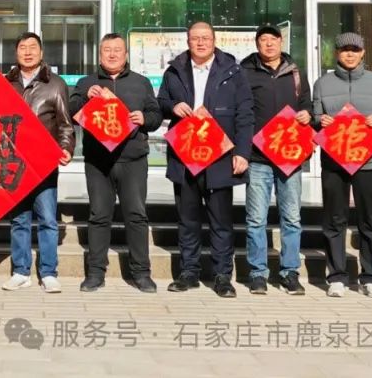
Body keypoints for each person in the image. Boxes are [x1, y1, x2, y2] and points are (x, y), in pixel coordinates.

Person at [158, 21, 253, 298]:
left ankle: (223, 275)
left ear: (214, 40)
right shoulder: (174, 70)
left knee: (221, 219)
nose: (200, 43)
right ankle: (188, 272)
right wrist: (172, 106)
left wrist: (242, 152)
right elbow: (161, 101)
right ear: (188, 41)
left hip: (220, 154)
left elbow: (245, 114)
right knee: (187, 218)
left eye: (206, 38)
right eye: (195, 38)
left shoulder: (233, 71)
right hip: (186, 153)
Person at [70, 33, 162, 293]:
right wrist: (86, 96)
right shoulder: (87, 82)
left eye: (117, 50)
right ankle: (95, 273)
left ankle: (141, 273)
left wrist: (144, 117)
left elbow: (156, 115)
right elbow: (71, 109)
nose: (112, 54)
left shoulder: (141, 83)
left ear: (126, 55)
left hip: (133, 159)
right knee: (99, 215)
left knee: (136, 215)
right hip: (98, 161)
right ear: (100, 54)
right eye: (107, 50)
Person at [311, 32, 372, 298]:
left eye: (355, 49)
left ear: (363, 53)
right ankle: (336, 276)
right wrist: (320, 121)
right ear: (336, 53)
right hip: (334, 161)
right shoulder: (322, 83)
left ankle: (370, 277)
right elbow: (313, 119)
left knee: (370, 221)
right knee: (334, 220)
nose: (349, 54)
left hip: (370, 162)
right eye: (344, 49)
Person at [241, 24, 311, 295]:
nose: (269, 44)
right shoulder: (245, 72)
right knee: (255, 218)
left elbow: (306, 103)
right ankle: (258, 273)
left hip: (289, 156)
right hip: (258, 157)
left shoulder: (295, 72)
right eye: (263, 40)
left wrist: (307, 115)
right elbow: (241, 110)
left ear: (281, 42)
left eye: (273, 39)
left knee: (291, 217)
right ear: (257, 44)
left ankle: (290, 272)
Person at [2, 32, 74, 293]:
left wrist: (66, 148)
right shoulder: (5, 83)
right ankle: (20, 271)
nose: (28, 52)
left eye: (33, 47)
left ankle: (49, 272)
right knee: (19, 219)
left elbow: (66, 124)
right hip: (13, 162)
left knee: (47, 218)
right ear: (16, 53)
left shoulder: (55, 84)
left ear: (42, 53)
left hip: (43, 162)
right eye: (22, 47)